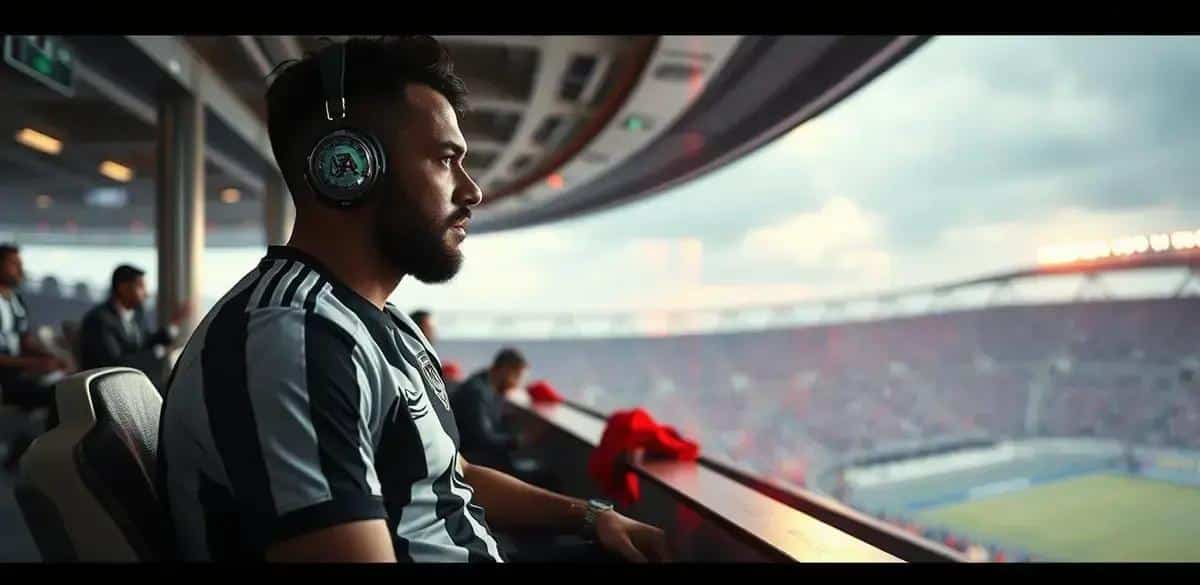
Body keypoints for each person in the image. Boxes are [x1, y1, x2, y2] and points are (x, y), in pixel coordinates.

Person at [157, 36, 667, 563]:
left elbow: (450, 475)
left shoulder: (382, 324)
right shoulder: (294, 340)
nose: (472, 192)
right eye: (447, 159)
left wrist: (591, 517)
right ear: (349, 166)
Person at [0, 244, 71, 469]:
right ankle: (45, 459)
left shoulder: (15, 301)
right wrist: (36, 363)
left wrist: (49, 357)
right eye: (14, 264)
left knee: (67, 385)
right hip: (6, 379)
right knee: (60, 396)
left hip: (19, 373)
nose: (20, 270)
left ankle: (24, 450)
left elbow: (24, 341)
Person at [78, 264, 190, 386]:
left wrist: (174, 324)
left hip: (133, 380)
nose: (146, 294)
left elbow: (145, 342)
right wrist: (158, 352)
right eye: (141, 287)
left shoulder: (137, 313)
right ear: (123, 288)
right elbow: (114, 363)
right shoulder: (98, 320)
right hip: (109, 386)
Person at [450, 348, 527, 471]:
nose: (516, 384)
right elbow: (483, 440)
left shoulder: (486, 385)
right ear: (505, 370)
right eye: (516, 376)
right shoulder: (477, 393)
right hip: (467, 458)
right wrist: (518, 441)